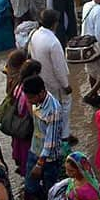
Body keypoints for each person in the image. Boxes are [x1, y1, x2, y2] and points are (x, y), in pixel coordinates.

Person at [28, 9, 74, 138]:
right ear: (55, 24)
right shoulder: (53, 42)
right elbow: (59, 68)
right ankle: (64, 136)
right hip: (55, 83)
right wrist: (66, 85)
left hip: (42, 81)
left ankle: (53, 134)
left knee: (48, 109)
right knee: (64, 107)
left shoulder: (35, 35)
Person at [22, 75, 66, 200]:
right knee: (30, 187)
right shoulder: (37, 102)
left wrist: (40, 164)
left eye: (31, 98)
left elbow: (50, 142)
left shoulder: (53, 110)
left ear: (41, 92)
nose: (29, 101)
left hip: (49, 158)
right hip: (34, 150)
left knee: (50, 190)